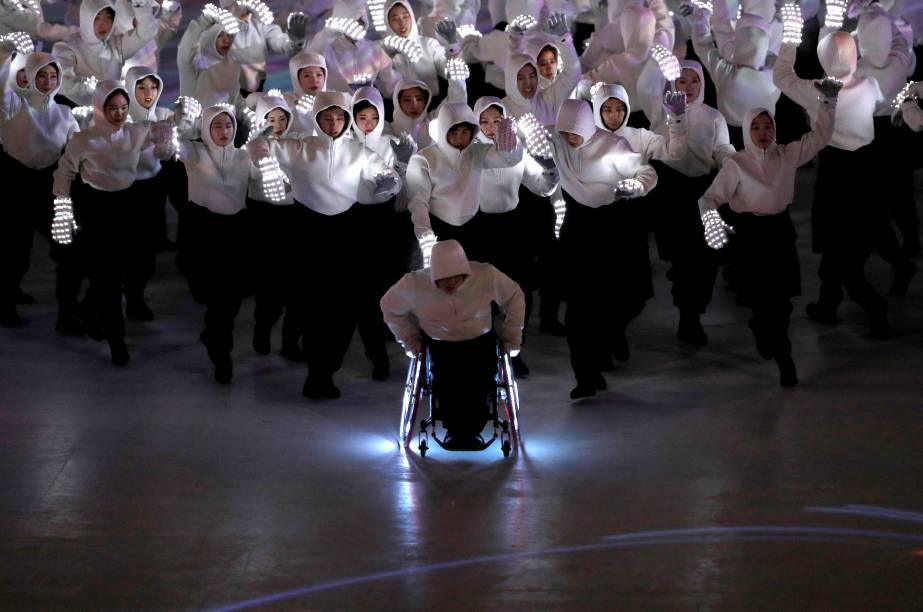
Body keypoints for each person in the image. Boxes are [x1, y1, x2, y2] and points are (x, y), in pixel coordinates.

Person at [698, 79, 842, 387]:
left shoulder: (787, 155)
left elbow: (821, 137)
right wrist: (710, 219)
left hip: (779, 234)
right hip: (751, 238)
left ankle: (781, 352)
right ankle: (772, 343)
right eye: (756, 128)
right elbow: (708, 198)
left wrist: (828, 104)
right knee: (762, 301)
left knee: (782, 302)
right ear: (747, 131)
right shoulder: (736, 164)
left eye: (767, 127)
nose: (763, 133)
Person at [550, 98, 657, 399]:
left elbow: (647, 173)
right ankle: (585, 374)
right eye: (565, 134)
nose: (570, 140)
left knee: (624, 298)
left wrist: (635, 187)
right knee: (579, 308)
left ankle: (609, 338)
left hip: (614, 228)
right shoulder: (556, 143)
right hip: (578, 230)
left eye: (575, 133)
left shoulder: (613, 145)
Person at [52, 80, 163, 366]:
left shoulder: (135, 132)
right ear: (100, 108)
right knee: (108, 277)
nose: (119, 114)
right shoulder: (84, 139)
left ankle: (88, 310)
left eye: (124, 108)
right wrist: (63, 208)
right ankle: (116, 339)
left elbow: (163, 135)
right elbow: (64, 173)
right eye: (112, 108)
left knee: (123, 270)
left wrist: (177, 122)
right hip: (96, 211)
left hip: (127, 207)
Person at [380, 239, 525, 447]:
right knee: (447, 385)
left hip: (479, 342)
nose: (449, 284)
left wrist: (512, 335)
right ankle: (456, 431)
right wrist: (409, 339)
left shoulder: (485, 275)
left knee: (481, 383)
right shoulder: (414, 283)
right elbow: (389, 307)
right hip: (441, 345)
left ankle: (472, 429)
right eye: (442, 279)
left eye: (456, 278)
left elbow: (514, 296)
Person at [0, 46, 81, 329]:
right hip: (15, 188)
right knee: (14, 251)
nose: (48, 82)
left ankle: (67, 313)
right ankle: (5, 300)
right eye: (42, 76)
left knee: (69, 250)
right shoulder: (13, 105)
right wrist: (3, 55)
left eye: (53, 76)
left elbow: (76, 151)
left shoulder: (65, 111)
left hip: (50, 189)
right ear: (30, 77)